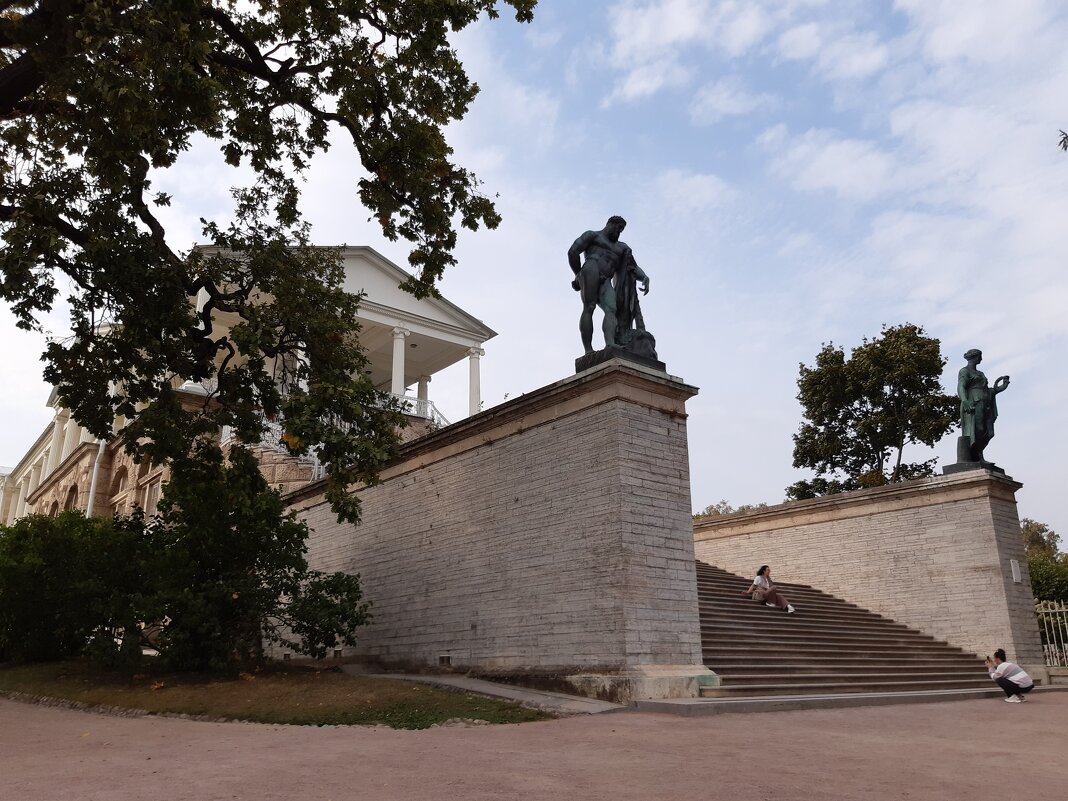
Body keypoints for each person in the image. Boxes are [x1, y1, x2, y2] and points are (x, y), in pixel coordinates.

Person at [568, 216, 650, 354]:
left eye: (621, 230)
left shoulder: (621, 248)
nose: (619, 232)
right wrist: (578, 274)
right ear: (610, 224)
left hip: (606, 278)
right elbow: (573, 252)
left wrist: (644, 277)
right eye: (618, 228)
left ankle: (610, 344)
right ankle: (588, 350)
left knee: (611, 308)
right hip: (591, 268)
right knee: (589, 307)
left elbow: (633, 267)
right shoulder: (592, 235)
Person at [957, 349, 1009, 462]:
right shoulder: (964, 371)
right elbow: (961, 386)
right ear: (974, 357)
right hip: (974, 402)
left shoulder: (981, 374)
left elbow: (988, 390)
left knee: (989, 432)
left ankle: (978, 453)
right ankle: (977, 455)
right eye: (980, 356)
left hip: (986, 402)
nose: (981, 359)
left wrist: (1000, 388)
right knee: (978, 429)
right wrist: (965, 401)